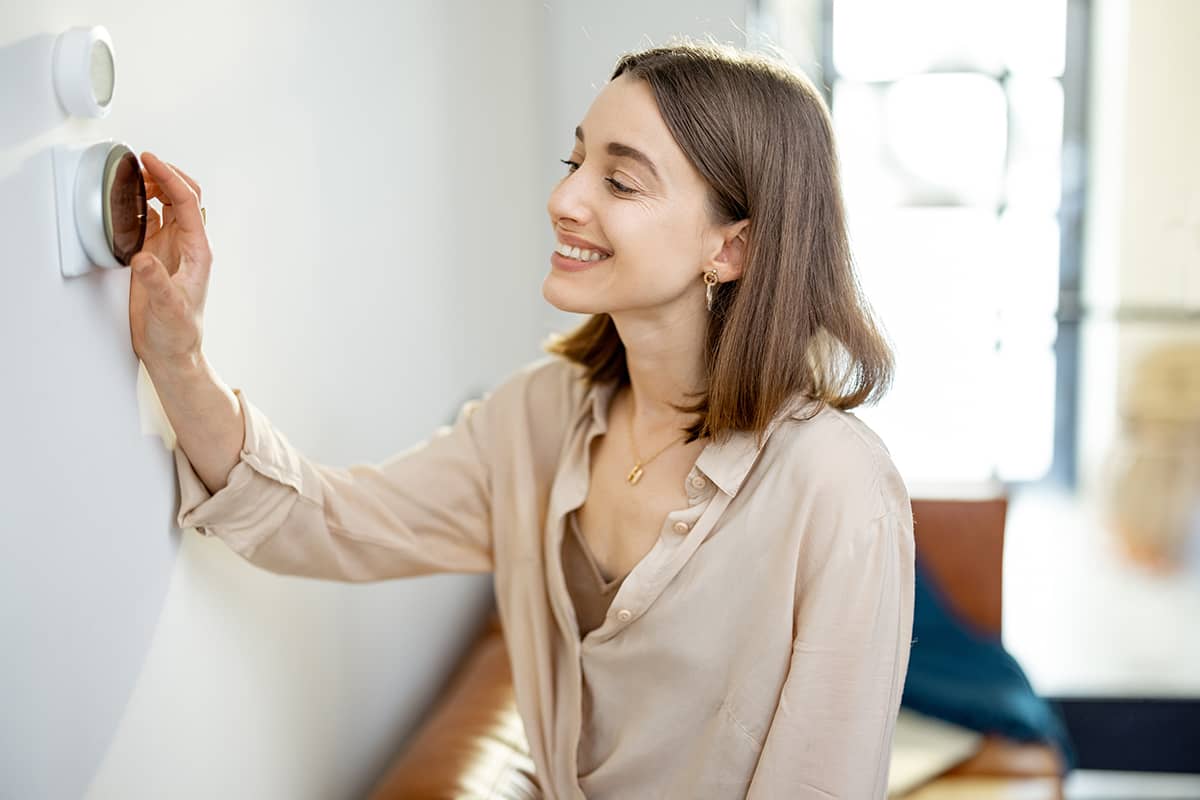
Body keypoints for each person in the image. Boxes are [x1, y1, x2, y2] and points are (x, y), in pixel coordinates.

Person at [128, 39, 914, 800]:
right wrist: (178, 358)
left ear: (731, 249)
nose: (563, 201)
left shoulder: (839, 490)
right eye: (575, 164)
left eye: (620, 183)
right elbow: (319, 521)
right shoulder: (538, 417)